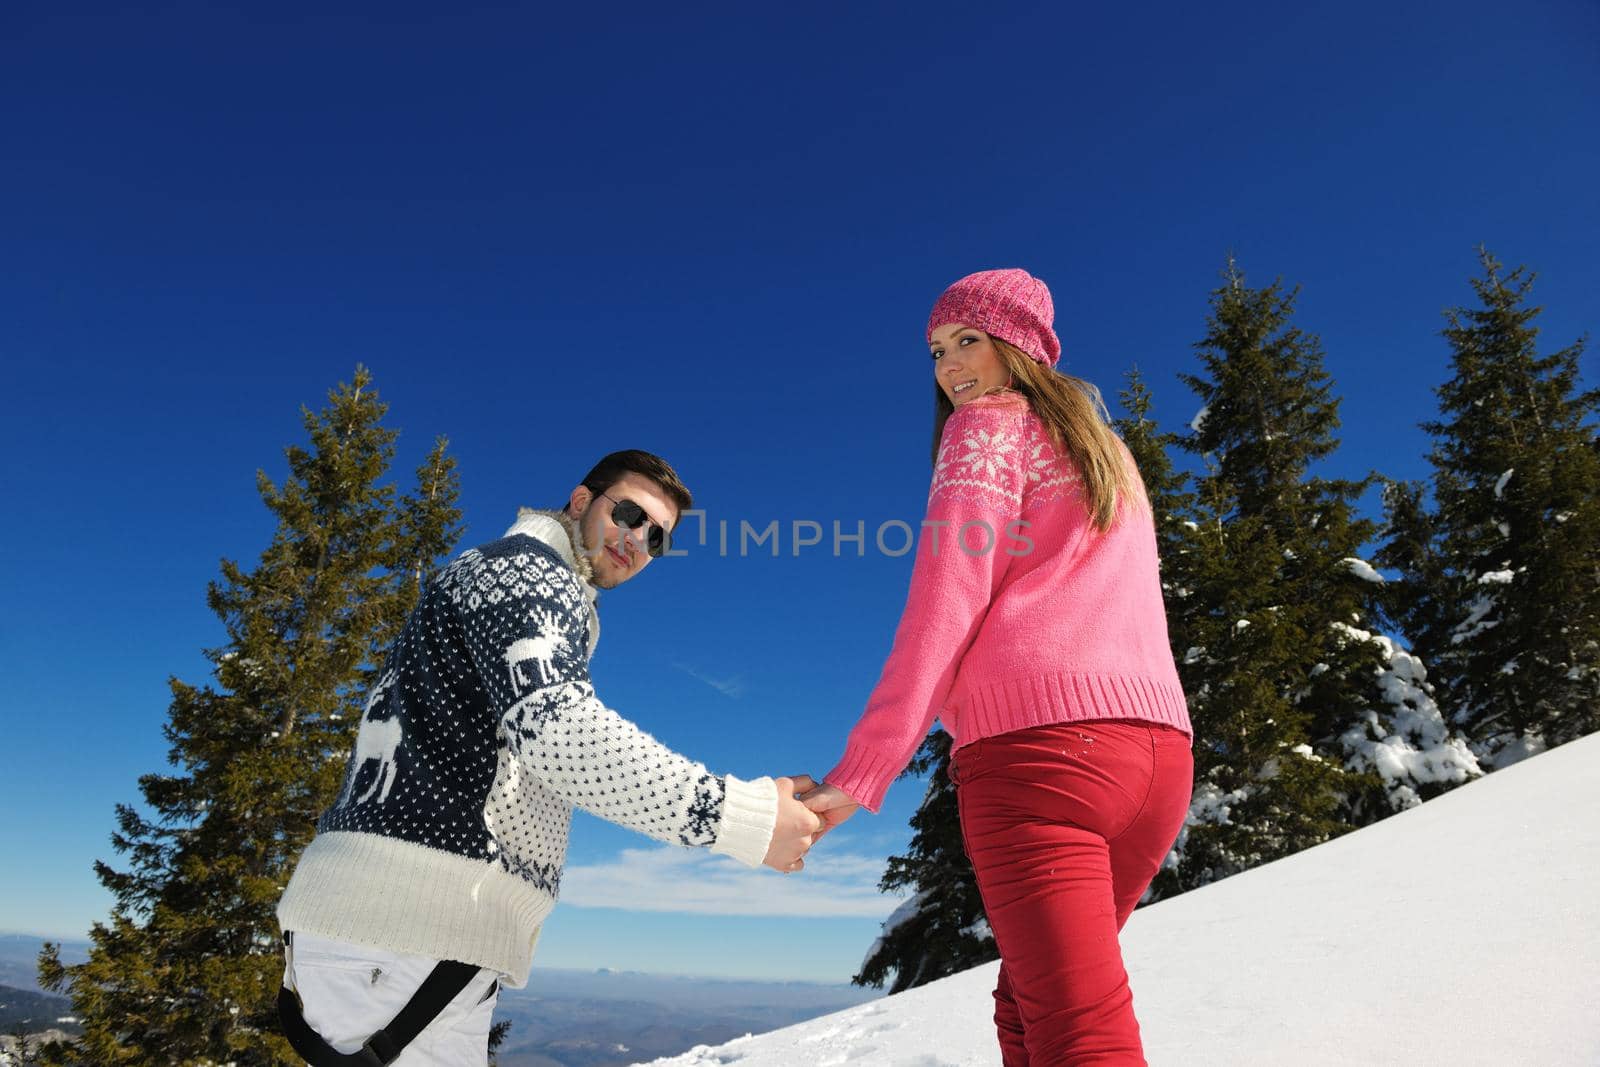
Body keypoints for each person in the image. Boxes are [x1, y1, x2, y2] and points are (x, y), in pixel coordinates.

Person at [276, 449, 822, 1066]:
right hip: (402, 938)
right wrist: (744, 817)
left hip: (390, 939)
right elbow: (559, 730)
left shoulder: (497, 575)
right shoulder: (529, 573)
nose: (638, 540)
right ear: (582, 501)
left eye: (657, 538)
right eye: (629, 514)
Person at [802, 270, 1195, 1066]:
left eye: (968, 340)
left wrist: (866, 767)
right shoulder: (1108, 453)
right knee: (1030, 1006)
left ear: (1019, 342)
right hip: (1157, 758)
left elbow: (945, 600)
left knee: (1078, 1035)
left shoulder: (984, 428)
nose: (950, 367)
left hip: (1040, 758)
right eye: (938, 349)